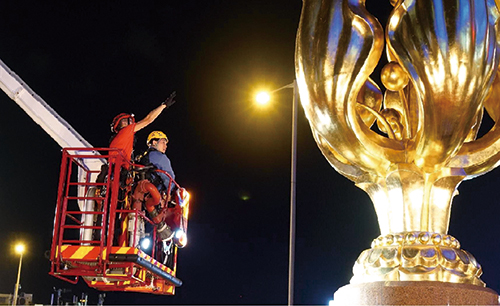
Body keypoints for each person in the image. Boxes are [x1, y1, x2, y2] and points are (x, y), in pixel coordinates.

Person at [109, 92, 176, 165]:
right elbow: (148, 119)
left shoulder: (120, 138)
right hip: (119, 170)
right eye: (127, 121)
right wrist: (163, 106)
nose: (131, 123)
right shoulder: (125, 131)